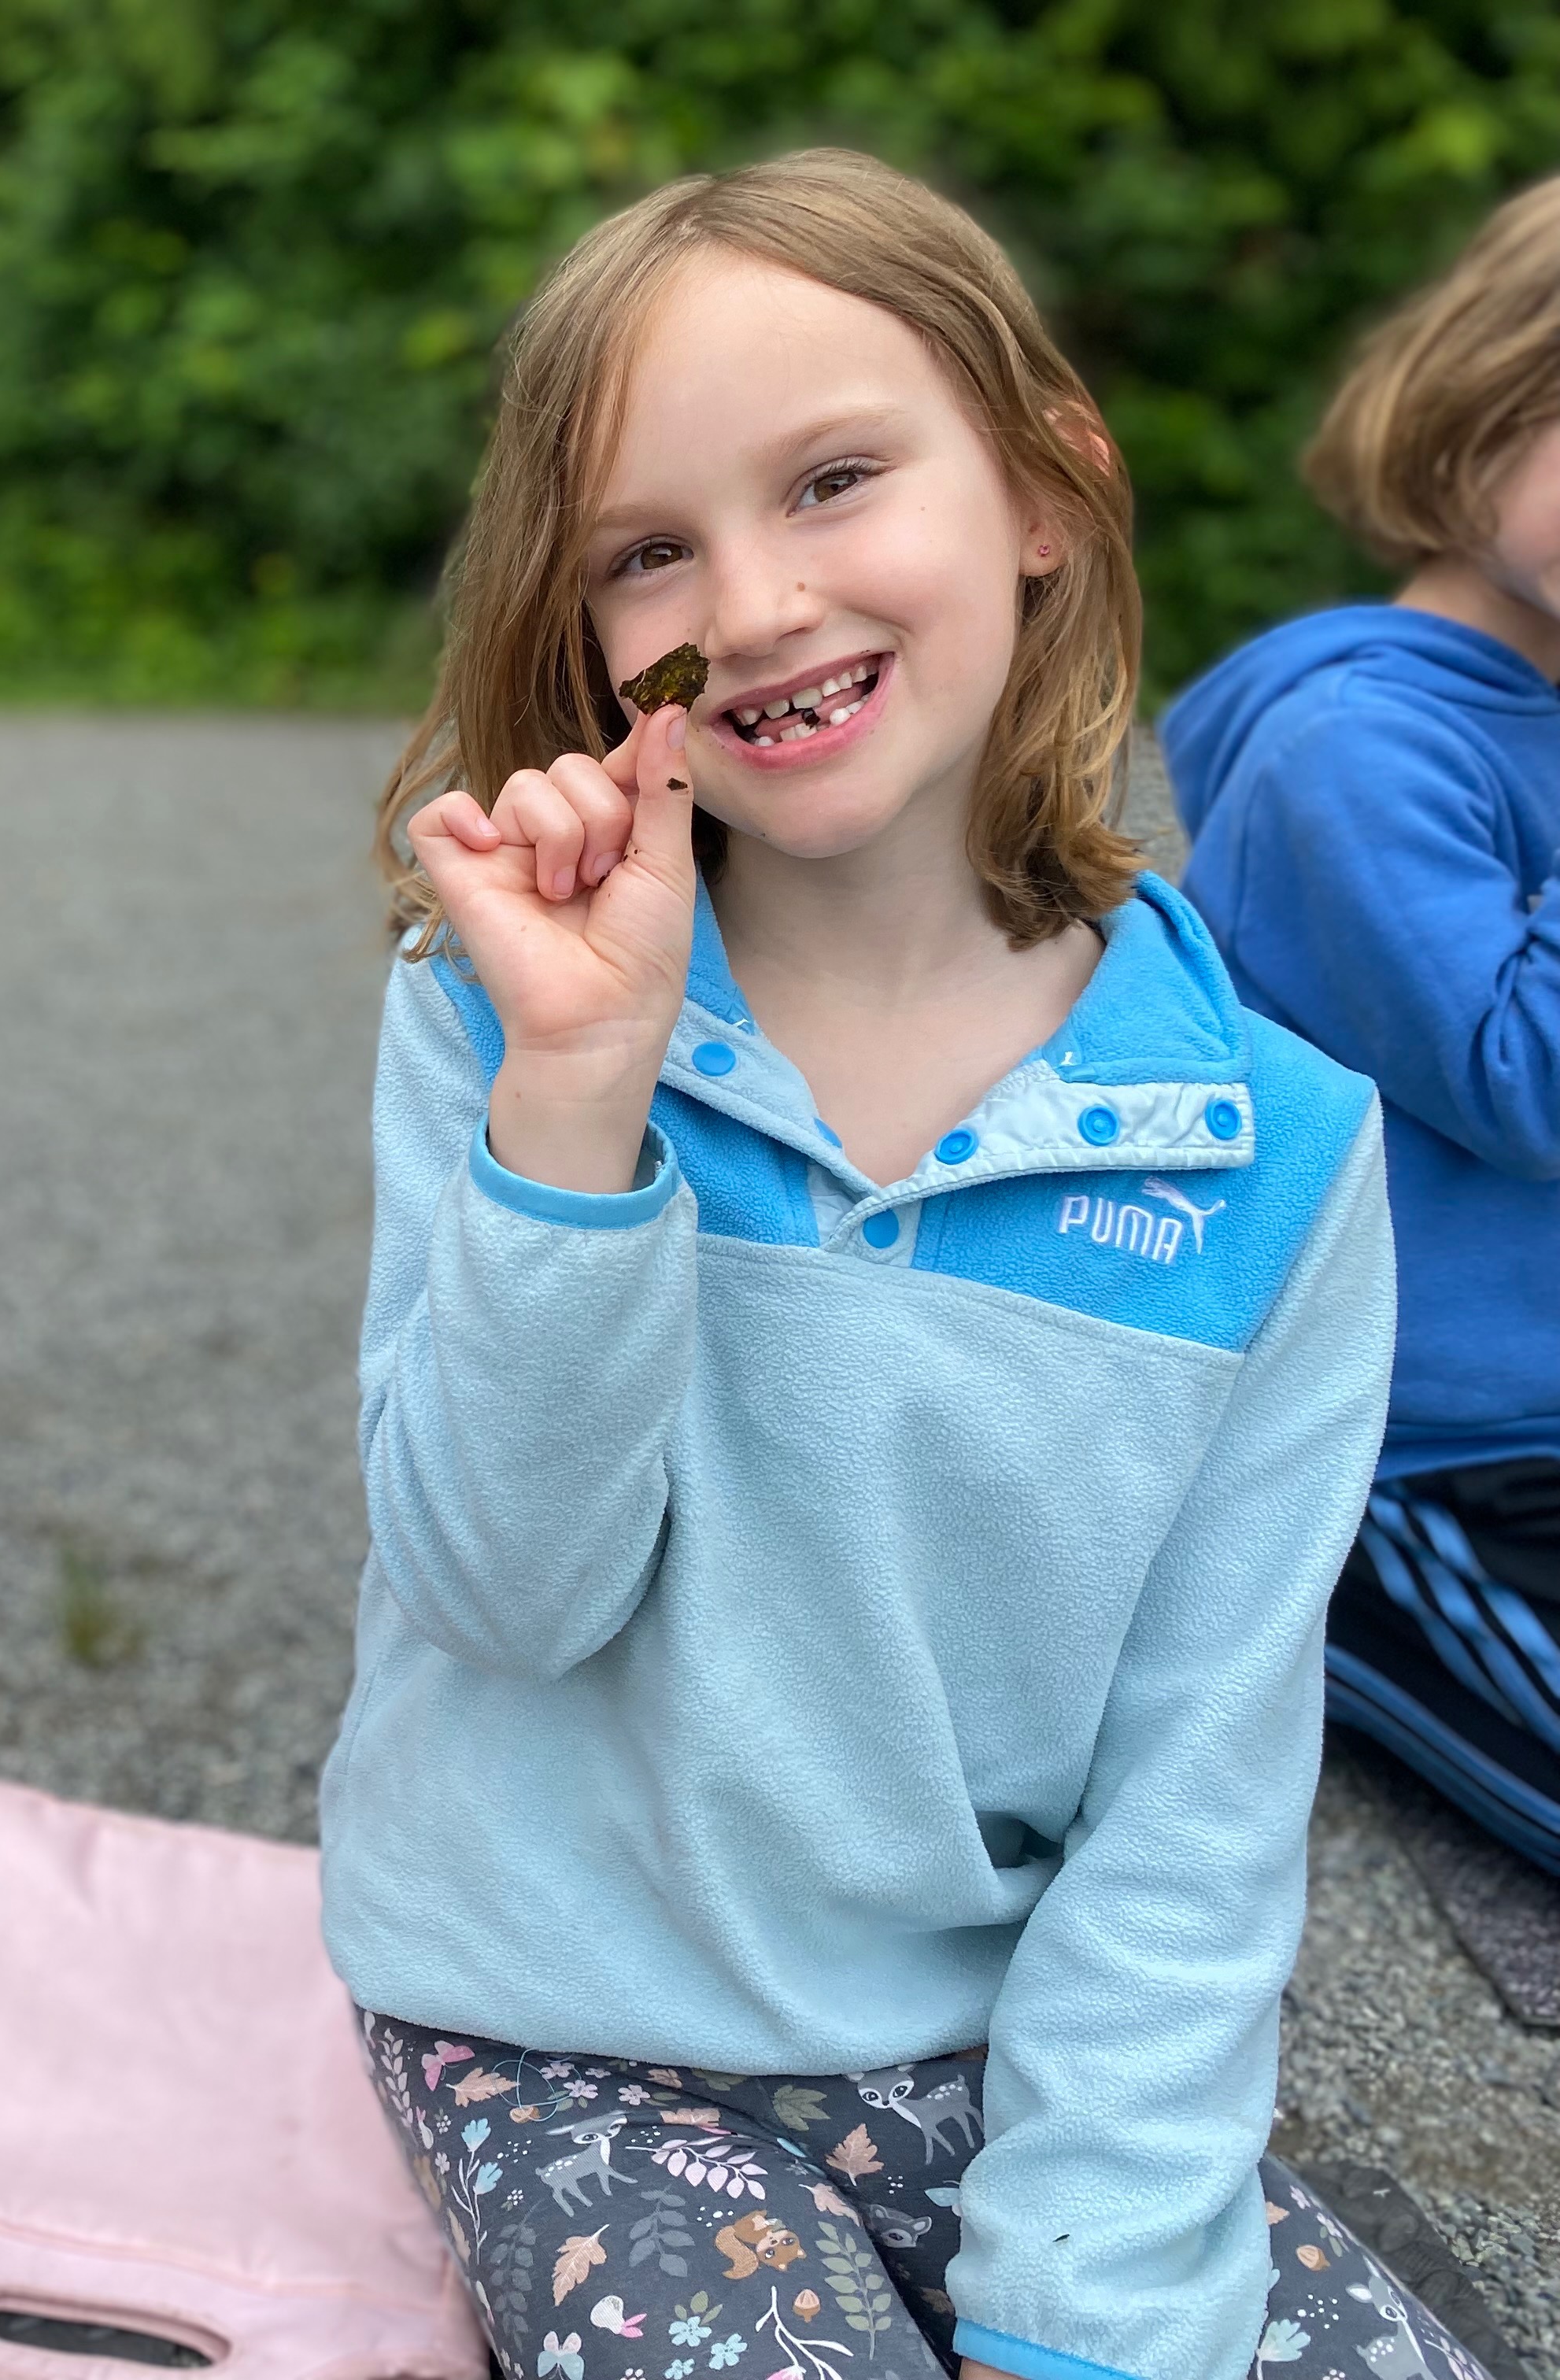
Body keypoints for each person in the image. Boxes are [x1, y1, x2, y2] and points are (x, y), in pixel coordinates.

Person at [320, 153, 1488, 2380]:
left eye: (835, 480)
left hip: (996, 2037)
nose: (754, 604)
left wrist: (1093, 2307)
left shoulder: (1282, 1155)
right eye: (647, 552)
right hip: (554, 2030)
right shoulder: (494, 1021)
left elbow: (1196, 1806)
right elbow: (503, 1595)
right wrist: (578, 1102)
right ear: (592, 638)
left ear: (1046, 487)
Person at [1162, 177, 1560, 1877]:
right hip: (1437, 1456)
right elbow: (1525, 1077)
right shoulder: (1353, 747)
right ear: (1482, 413)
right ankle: (1324, 1607)